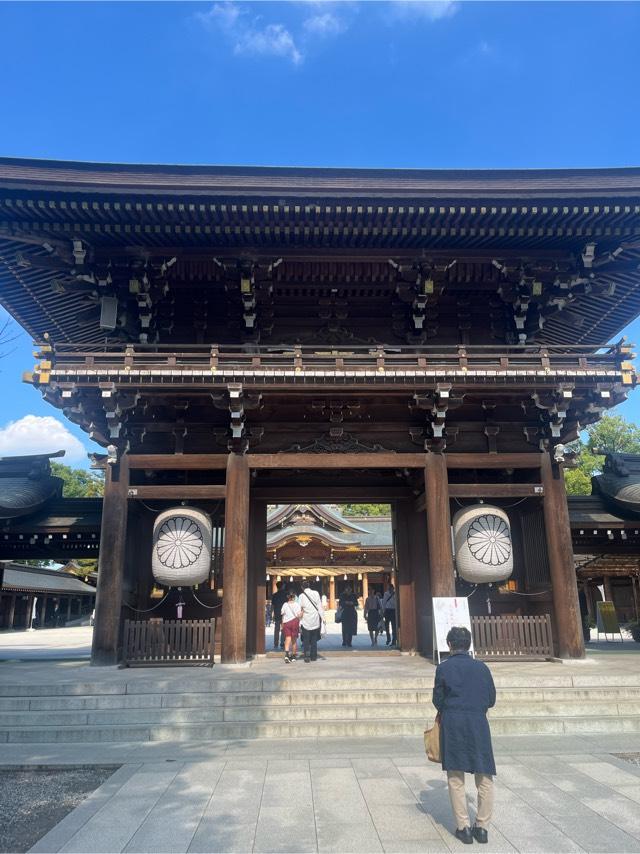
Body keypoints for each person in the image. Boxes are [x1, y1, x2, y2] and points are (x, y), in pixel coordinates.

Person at [432, 626, 496, 846]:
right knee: (484, 776)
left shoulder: (444, 669)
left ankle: (463, 828)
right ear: (468, 644)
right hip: (478, 723)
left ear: (450, 645)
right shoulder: (482, 668)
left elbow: (437, 700)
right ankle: (482, 827)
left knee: (456, 777)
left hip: (454, 723)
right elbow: (491, 699)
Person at [299, 584, 324, 663]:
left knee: (306, 639)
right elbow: (319, 606)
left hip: (306, 619)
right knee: (314, 639)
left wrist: (299, 620)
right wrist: (323, 617)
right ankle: (314, 656)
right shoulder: (316, 593)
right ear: (309, 586)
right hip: (315, 619)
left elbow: (300, 608)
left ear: (302, 587)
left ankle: (306, 656)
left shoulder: (301, 596)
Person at [280, 591, 301, 663]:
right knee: (294, 640)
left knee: (287, 638)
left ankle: (286, 655)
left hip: (287, 623)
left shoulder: (285, 604)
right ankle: (293, 656)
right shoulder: (297, 605)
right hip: (295, 622)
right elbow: (299, 615)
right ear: (294, 597)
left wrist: (282, 624)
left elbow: (282, 614)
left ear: (288, 597)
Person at [271, 581, 287, 651]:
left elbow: (273, 605)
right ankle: (282, 643)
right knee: (283, 629)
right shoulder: (286, 594)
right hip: (284, 614)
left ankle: (275, 644)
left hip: (277, 613)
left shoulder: (274, 595)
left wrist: (272, 613)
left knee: (276, 629)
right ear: (282, 586)